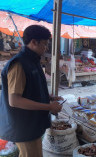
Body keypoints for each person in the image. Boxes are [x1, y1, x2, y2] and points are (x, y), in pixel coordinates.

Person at [0, 25, 63, 157]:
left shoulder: (32, 60)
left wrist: (49, 97)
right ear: (34, 42)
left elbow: (31, 88)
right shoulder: (19, 64)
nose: (45, 48)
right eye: (44, 44)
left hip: (31, 123)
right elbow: (15, 100)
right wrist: (49, 107)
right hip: (23, 125)